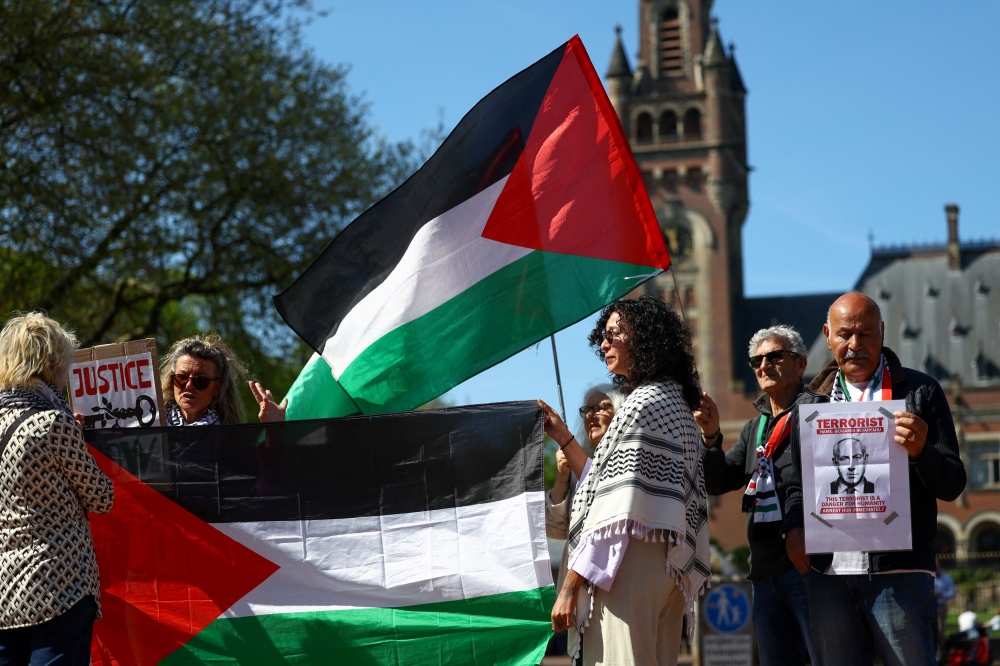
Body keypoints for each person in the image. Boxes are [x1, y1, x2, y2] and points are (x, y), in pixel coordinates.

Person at [783, 292, 966, 666]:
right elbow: (796, 483)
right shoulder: (808, 405)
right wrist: (793, 527)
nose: (855, 345)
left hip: (899, 573)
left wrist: (922, 452)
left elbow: (953, 483)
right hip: (828, 573)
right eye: (845, 334)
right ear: (828, 334)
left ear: (882, 333)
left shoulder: (920, 392)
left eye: (866, 334)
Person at [540, 296, 710, 666]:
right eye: (603, 335)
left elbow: (611, 511)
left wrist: (569, 587)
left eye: (614, 334)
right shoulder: (676, 402)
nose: (604, 344)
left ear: (645, 340)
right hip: (669, 570)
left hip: (626, 568)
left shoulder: (641, 404)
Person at [694, 325, 818, 666]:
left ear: (800, 364)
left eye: (774, 356)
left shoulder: (818, 414)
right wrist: (711, 437)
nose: (764, 365)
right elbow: (720, 481)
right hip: (763, 573)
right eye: (756, 360)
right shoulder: (755, 427)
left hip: (808, 568)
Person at [0, 312, 115, 665]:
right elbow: (102, 497)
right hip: (61, 583)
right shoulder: (52, 423)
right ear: (52, 364)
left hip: (6, 587)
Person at [546, 384, 624, 662]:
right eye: (587, 410)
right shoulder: (581, 471)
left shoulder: (624, 463)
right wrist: (562, 477)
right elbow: (556, 531)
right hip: (581, 600)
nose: (591, 415)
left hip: (614, 593)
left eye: (601, 407)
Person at [159, 334, 286, 425]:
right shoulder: (149, 423)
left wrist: (274, 432)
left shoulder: (231, 438)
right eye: (182, 378)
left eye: (201, 380)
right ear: (171, 382)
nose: (189, 385)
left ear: (217, 387)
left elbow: (260, 463)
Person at [934, 558, 955, 657]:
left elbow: (952, 593)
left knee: (940, 631)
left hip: (941, 607)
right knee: (930, 631)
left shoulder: (947, 578)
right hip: (929, 607)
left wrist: (941, 594)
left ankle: (942, 655)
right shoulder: (928, 577)